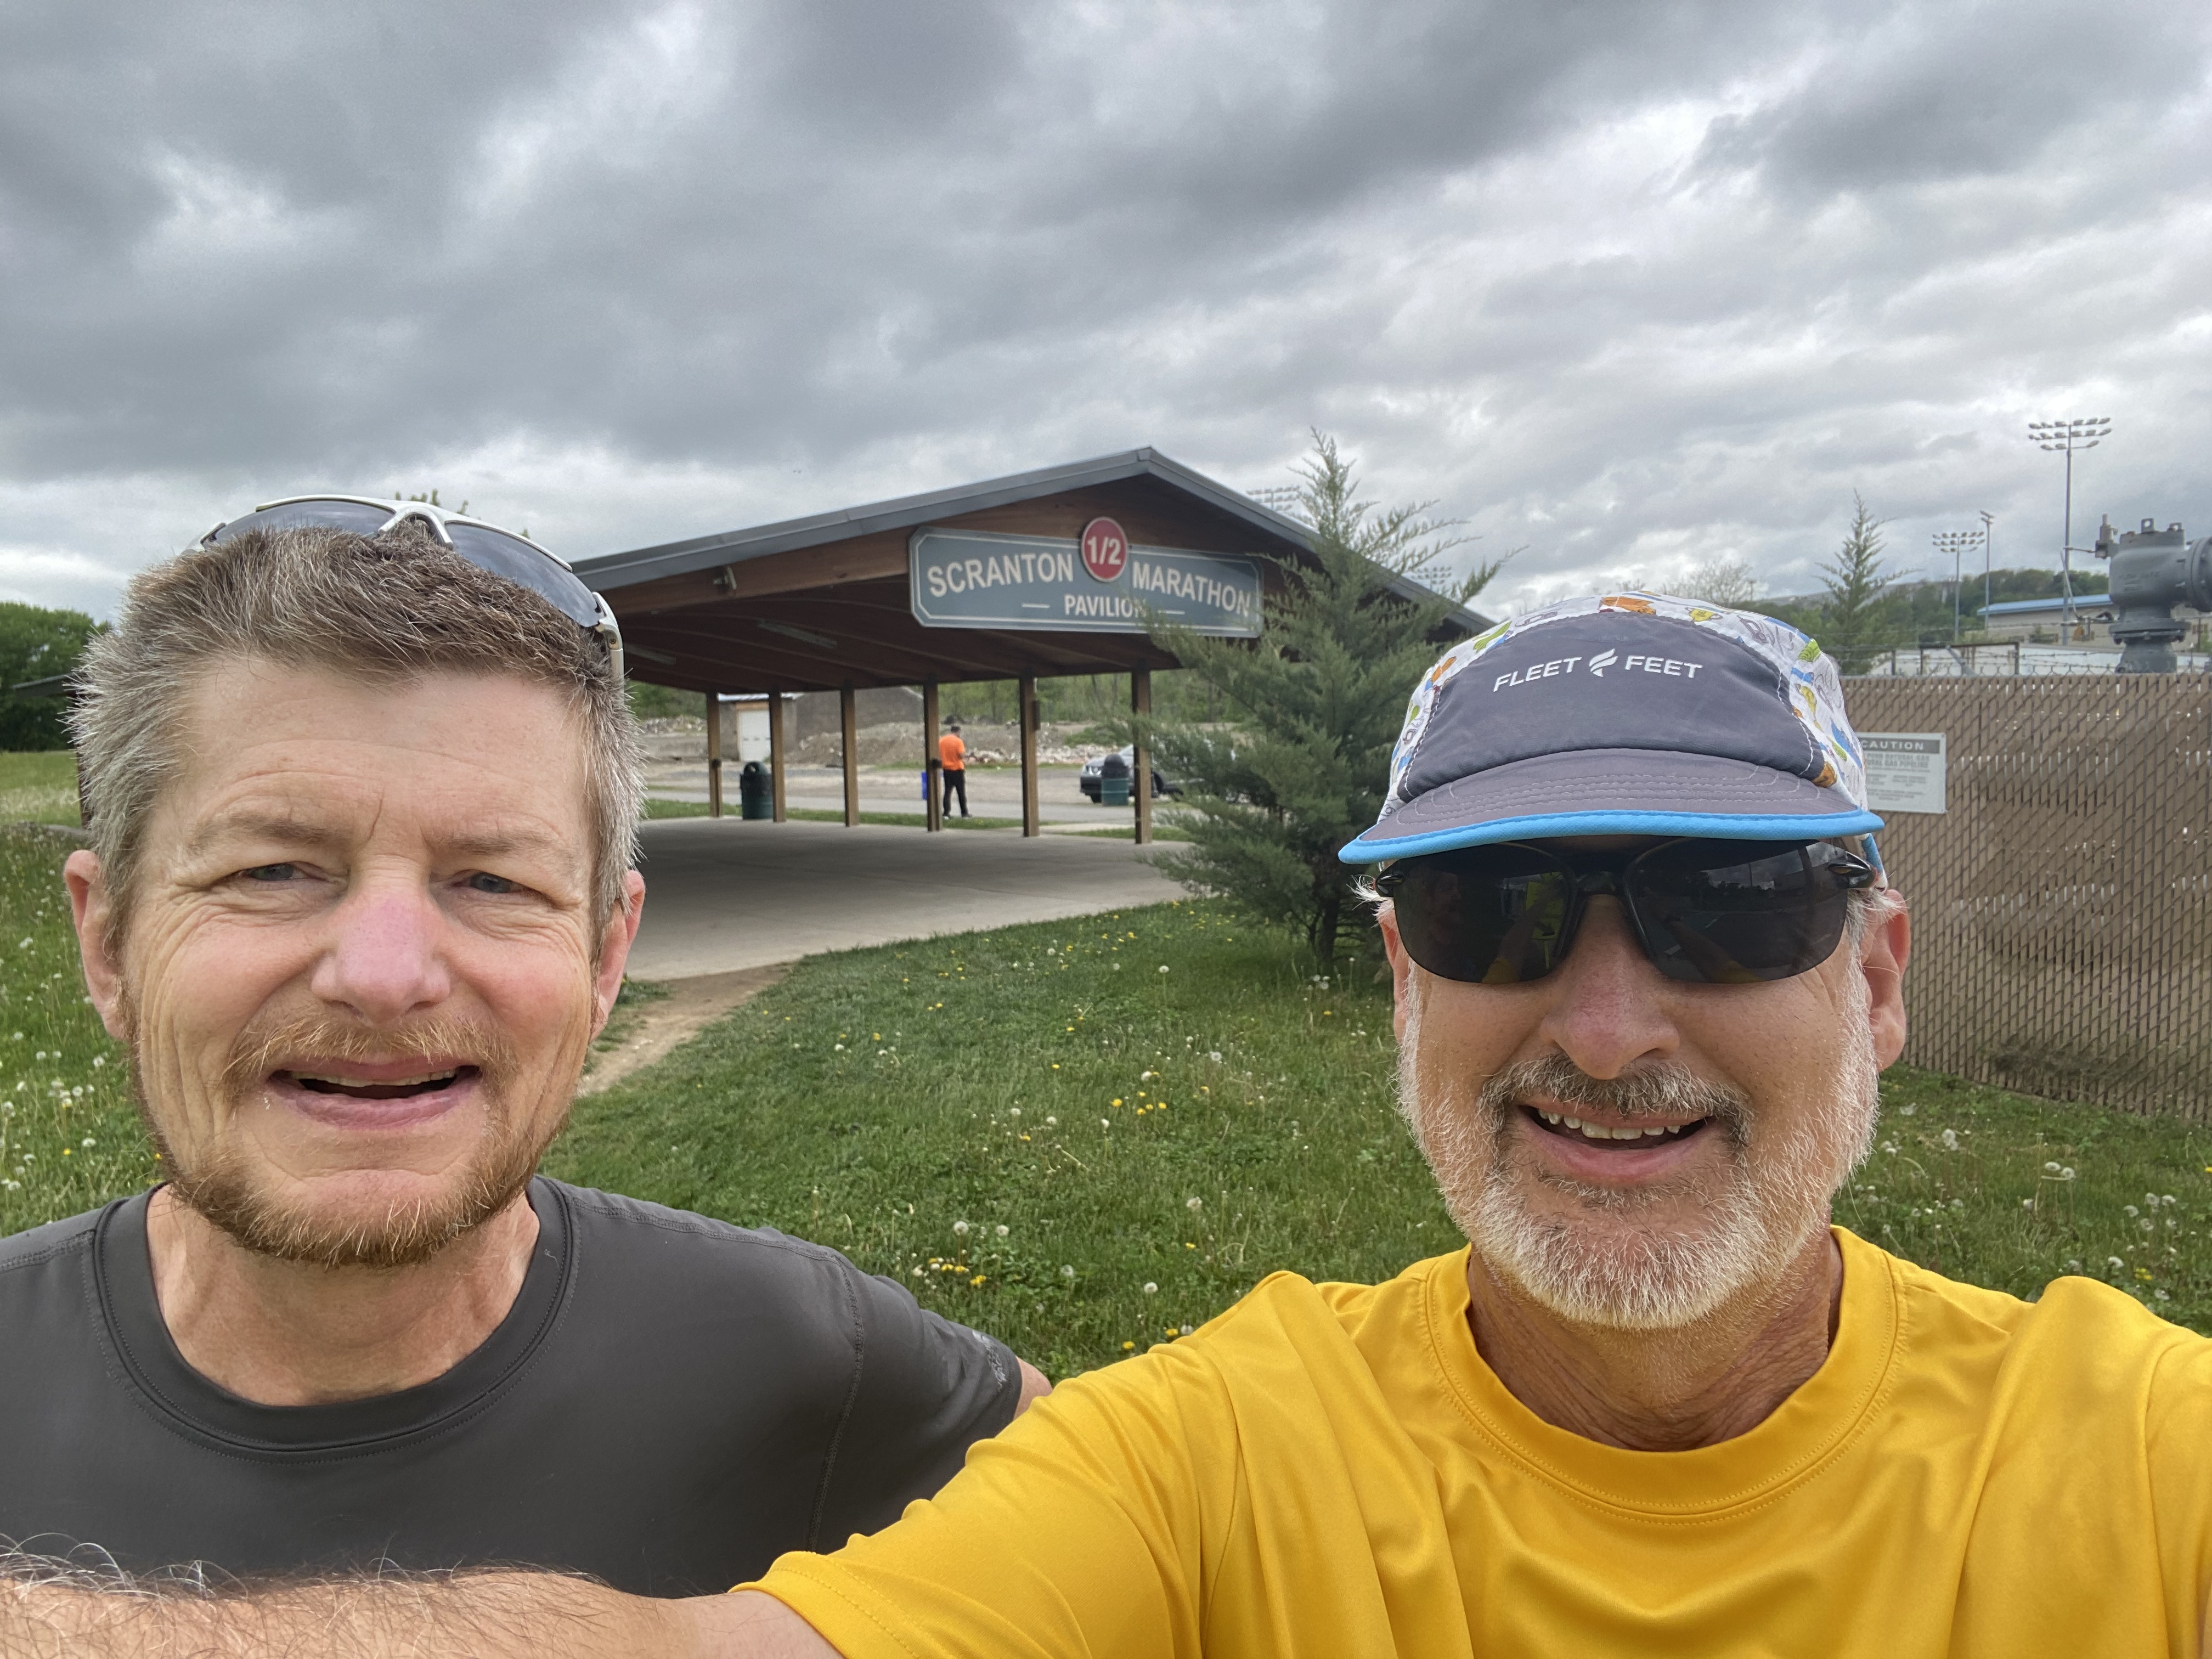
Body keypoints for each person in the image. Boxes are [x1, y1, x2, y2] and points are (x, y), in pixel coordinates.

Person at [11, 592, 2212, 1656]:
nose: (1610, 1020)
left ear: (1881, 979)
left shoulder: (2143, 1464)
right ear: (1406, 979)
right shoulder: (1216, 1459)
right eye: (1500, 912)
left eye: (1730, 906)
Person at [0, 497, 1045, 1602]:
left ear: (605, 957)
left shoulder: (803, 1353)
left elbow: (1136, 1529)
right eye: (271, 869)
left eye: (493, 881)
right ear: (108, 943)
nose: (386, 974)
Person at [938, 721, 969, 817]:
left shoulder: (942, 740)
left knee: (947, 792)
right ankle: (964, 813)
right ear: (958, 731)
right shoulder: (959, 741)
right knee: (961, 792)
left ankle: (946, 813)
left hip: (947, 769)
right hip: (958, 769)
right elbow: (961, 755)